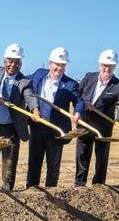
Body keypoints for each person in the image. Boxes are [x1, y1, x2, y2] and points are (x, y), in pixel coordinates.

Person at [0, 43, 39, 191]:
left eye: (16, 62)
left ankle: (7, 190)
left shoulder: (25, 81)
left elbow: (29, 96)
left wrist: (35, 109)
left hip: (11, 128)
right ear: (4, 61)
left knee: (9, 161)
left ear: (21, 63)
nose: (13, 65)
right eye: (10, 61)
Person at [26, 47, 84, 188]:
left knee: (53, 165)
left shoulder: (70, 84)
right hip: (37, 127)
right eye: (56, 64)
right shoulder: (39, 74)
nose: (59, 68)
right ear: (50, 63)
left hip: (57, 130)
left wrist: (77, 113)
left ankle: (51, 191)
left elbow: (79, 102)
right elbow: (23, 82)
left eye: (62, 65)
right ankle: (31, 190)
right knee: (34, 162)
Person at [75, 49, 119, 186]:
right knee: (82, 156)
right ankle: (79, 185)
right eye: (104, 65)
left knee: (101, 159)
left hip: (103, 128)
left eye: (110, 66)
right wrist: (83, 104)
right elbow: (76, 95)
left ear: (114, 66)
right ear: (99, 64)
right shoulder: (88, 77)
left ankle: (99, 186)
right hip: (84, 125)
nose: (107, 68)